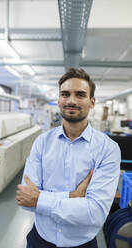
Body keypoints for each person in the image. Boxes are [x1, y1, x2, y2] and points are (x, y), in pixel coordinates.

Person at [16, 68, 121, 248]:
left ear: (92, 102)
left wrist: (40, 199)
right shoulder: (42, 143)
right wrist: (74, 196)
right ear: (58, 100)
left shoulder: (108, 149)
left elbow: (95, 213)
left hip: (82, 243)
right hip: (40, 239)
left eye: (80, 95)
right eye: (65, 94)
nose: (71, 100)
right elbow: (26, 200)